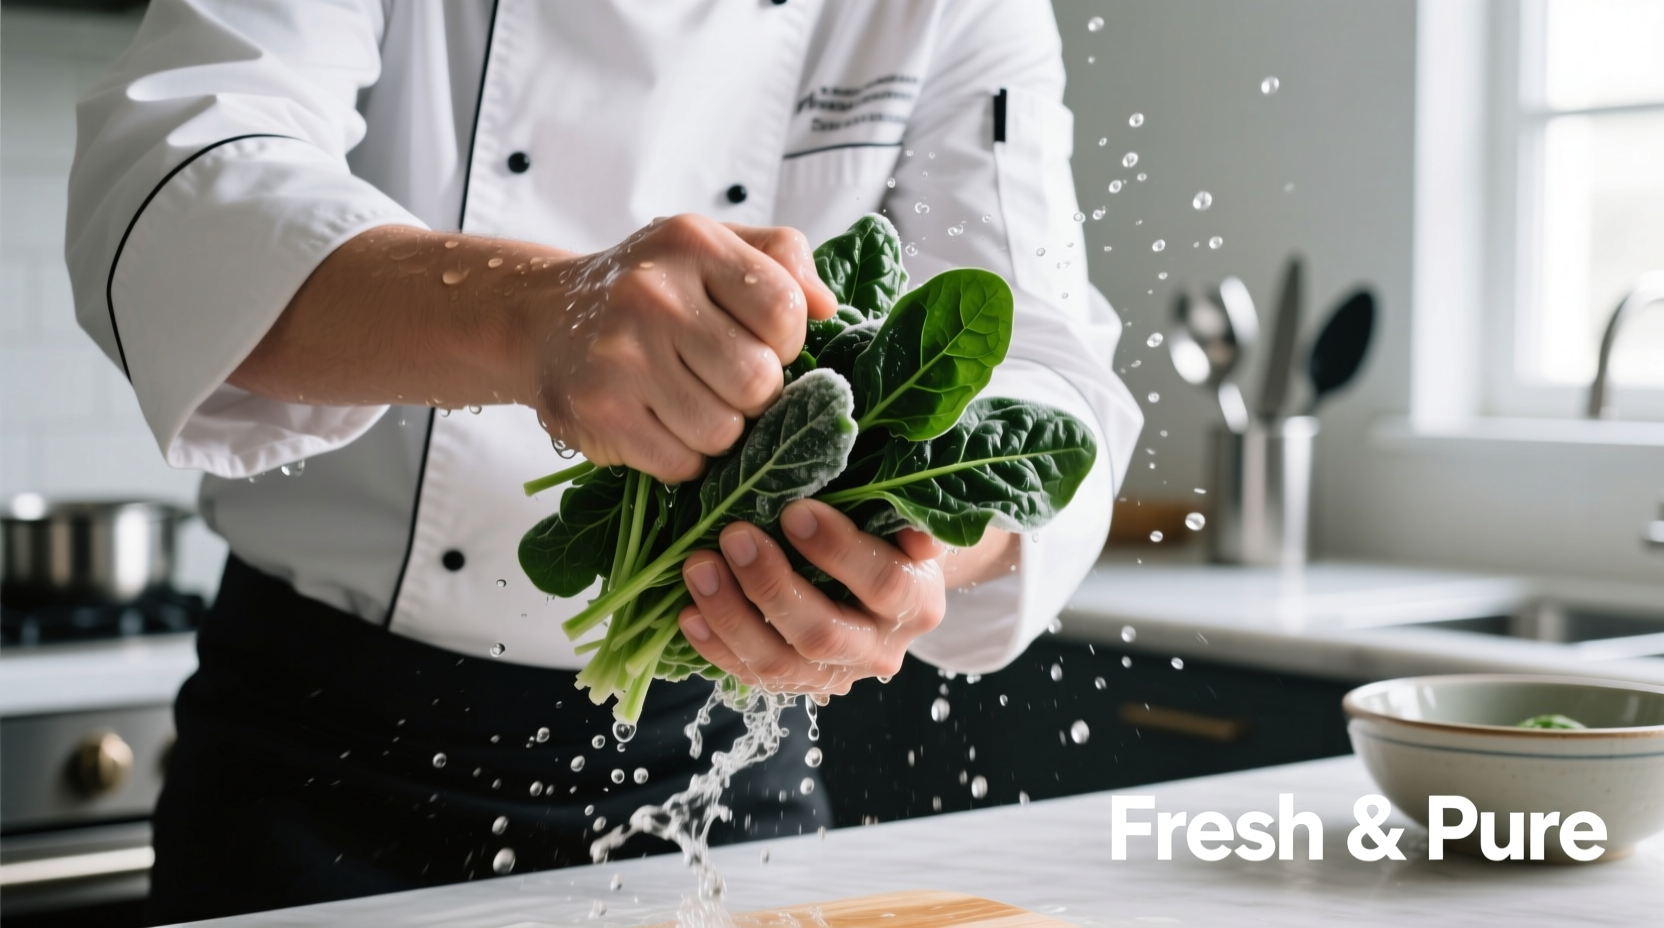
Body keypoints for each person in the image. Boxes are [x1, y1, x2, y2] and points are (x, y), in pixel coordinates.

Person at [66, 0, 1141, 921]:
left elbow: (1047, 377)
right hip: (325, 766)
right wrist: (532, 315)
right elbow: (172, 190)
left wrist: (893, 559)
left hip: (727, 777)